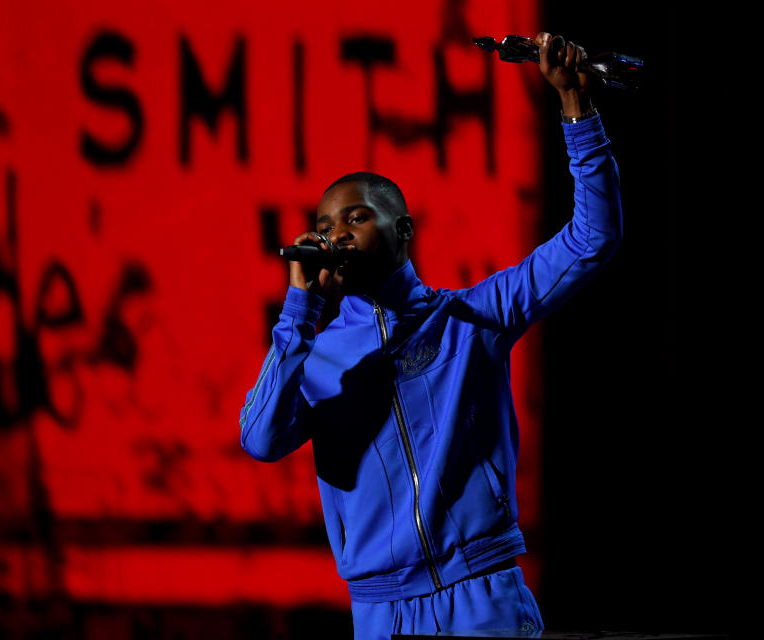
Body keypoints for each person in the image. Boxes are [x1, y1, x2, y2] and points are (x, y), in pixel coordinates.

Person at [239, 32, 623, 638]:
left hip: (482, 593)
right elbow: (260, 440)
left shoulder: (471, 318)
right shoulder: (314, 356)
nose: (336, 234)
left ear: (404, 230)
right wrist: (299, 311)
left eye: (355, 217)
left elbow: (591, 238)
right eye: (323, 225)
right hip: (382, 612)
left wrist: (576, 109)